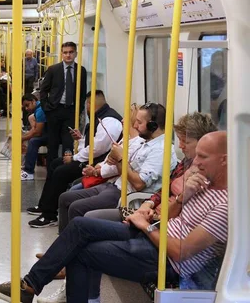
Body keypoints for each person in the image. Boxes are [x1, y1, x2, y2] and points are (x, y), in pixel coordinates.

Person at [0, 131, 228, 303]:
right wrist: (182, 197)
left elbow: (179, 252)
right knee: (79, 226)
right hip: (153, 234)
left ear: (224, 160)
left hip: (164, 259)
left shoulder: (224, 207)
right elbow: (173, 216)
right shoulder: (202, 185)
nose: (195, 161)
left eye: (203, 157)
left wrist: (147, 227)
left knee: (81, 252)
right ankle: (29, 286)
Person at [53, 103, 177, 232]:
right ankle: (63, 246)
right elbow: (123, 164)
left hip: (126, 194)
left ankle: (70, 249)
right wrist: (116, 158)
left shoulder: (160, 150)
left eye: (139, 122)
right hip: (115, 184)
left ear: (153, 126)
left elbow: (139, 183)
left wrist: (120, 159)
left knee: (76, 207)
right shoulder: (144, 142)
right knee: (65, 198)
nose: (135, 126)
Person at [86, 112, 218, 222]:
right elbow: (165, 188)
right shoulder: (186, 162)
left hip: (157, 220)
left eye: (186, 141)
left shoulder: (205, 176)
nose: (180, 146)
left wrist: (150, 218)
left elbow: (139, 184)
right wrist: (148, 203)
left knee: (87, 220)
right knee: (87, 218)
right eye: (180, 140)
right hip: (150, 210)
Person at [28, 91, 122, 228]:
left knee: (61, 172)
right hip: (93, 159)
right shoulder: (100, 117)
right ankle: (45, 205)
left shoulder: (109, 121)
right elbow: (94, 144)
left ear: (90, 104)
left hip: (97, 164)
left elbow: (98, 147)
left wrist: (74, 158)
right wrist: (81, 139)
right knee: (55, 164)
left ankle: (50, 215)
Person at [38, 42, 88, 161]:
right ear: (61, 54)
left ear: (75, 53)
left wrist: (79, 108)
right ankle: (51, 176)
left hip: (71, 111)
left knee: (68, 145)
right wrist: (47, 108)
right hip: (54, 110)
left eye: (71, 52)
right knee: (53, 145)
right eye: (65, 53)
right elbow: (44, 90)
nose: (68, 55)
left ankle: (65, 175)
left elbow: (82, 92)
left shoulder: (81, 71)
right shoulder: (53, 70)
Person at [21, 94, 47, 181]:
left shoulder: (40, 111)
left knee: (33, 141)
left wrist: (23, 138)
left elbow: (37, 132)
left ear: (33, 101)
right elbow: (34, 129)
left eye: (27, 105)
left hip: (51, 135)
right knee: (31, 139)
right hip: (48, 133)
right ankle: (27, 166)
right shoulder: (38, 109)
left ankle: (29, 171)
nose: (26, 108)